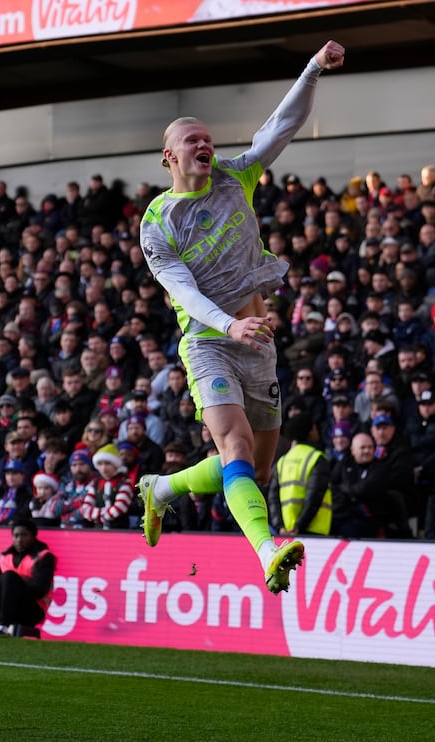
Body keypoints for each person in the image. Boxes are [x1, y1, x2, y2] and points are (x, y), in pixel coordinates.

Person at [136, 40, 345, 594]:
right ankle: (266, 548)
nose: (204, 144)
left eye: (207, 138)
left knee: (255, 467)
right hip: (210, 343)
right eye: (191, 140)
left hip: (259, 343)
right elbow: (183, 293)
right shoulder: (158, 223)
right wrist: (228, 325)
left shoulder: (236, 177)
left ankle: (160, 491)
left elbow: (280, 127)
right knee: (234, 448)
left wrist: (313, 70)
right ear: (169, 157)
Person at [267, 412, 331, 536]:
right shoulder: (317, 458)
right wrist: (299, 526)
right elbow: (314, 497)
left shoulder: (282, 461)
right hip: (314, 530)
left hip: (285, 530)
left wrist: (279, 526)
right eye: (315, 428)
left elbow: (273, 498)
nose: (317, 431)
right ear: (310, 431)